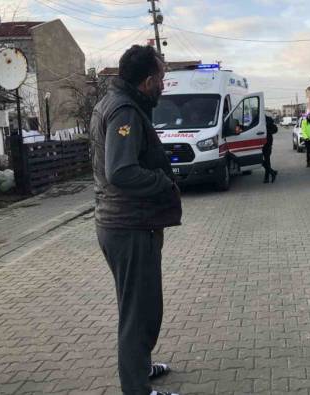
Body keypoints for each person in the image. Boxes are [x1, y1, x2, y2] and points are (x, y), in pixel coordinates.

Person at [90, 45, 182, 395]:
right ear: (147, 81)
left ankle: (141, 367)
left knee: (140, 306)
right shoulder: (125, 110)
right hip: (128, 226)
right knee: (139, 313)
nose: (163, 84)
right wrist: (164, 182)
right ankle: (136, 389)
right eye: (161, 77)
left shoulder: (115, 102)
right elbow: (121, 171)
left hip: (124, 223)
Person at [263, 115, 278, 183]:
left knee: (266, 160)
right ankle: (272, 172)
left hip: (267, 142)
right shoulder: (260, 119)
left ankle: (267, 177)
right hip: (263, 142)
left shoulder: (268, 119)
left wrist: (268, 131)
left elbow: (275, 129)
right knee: (264, 161)